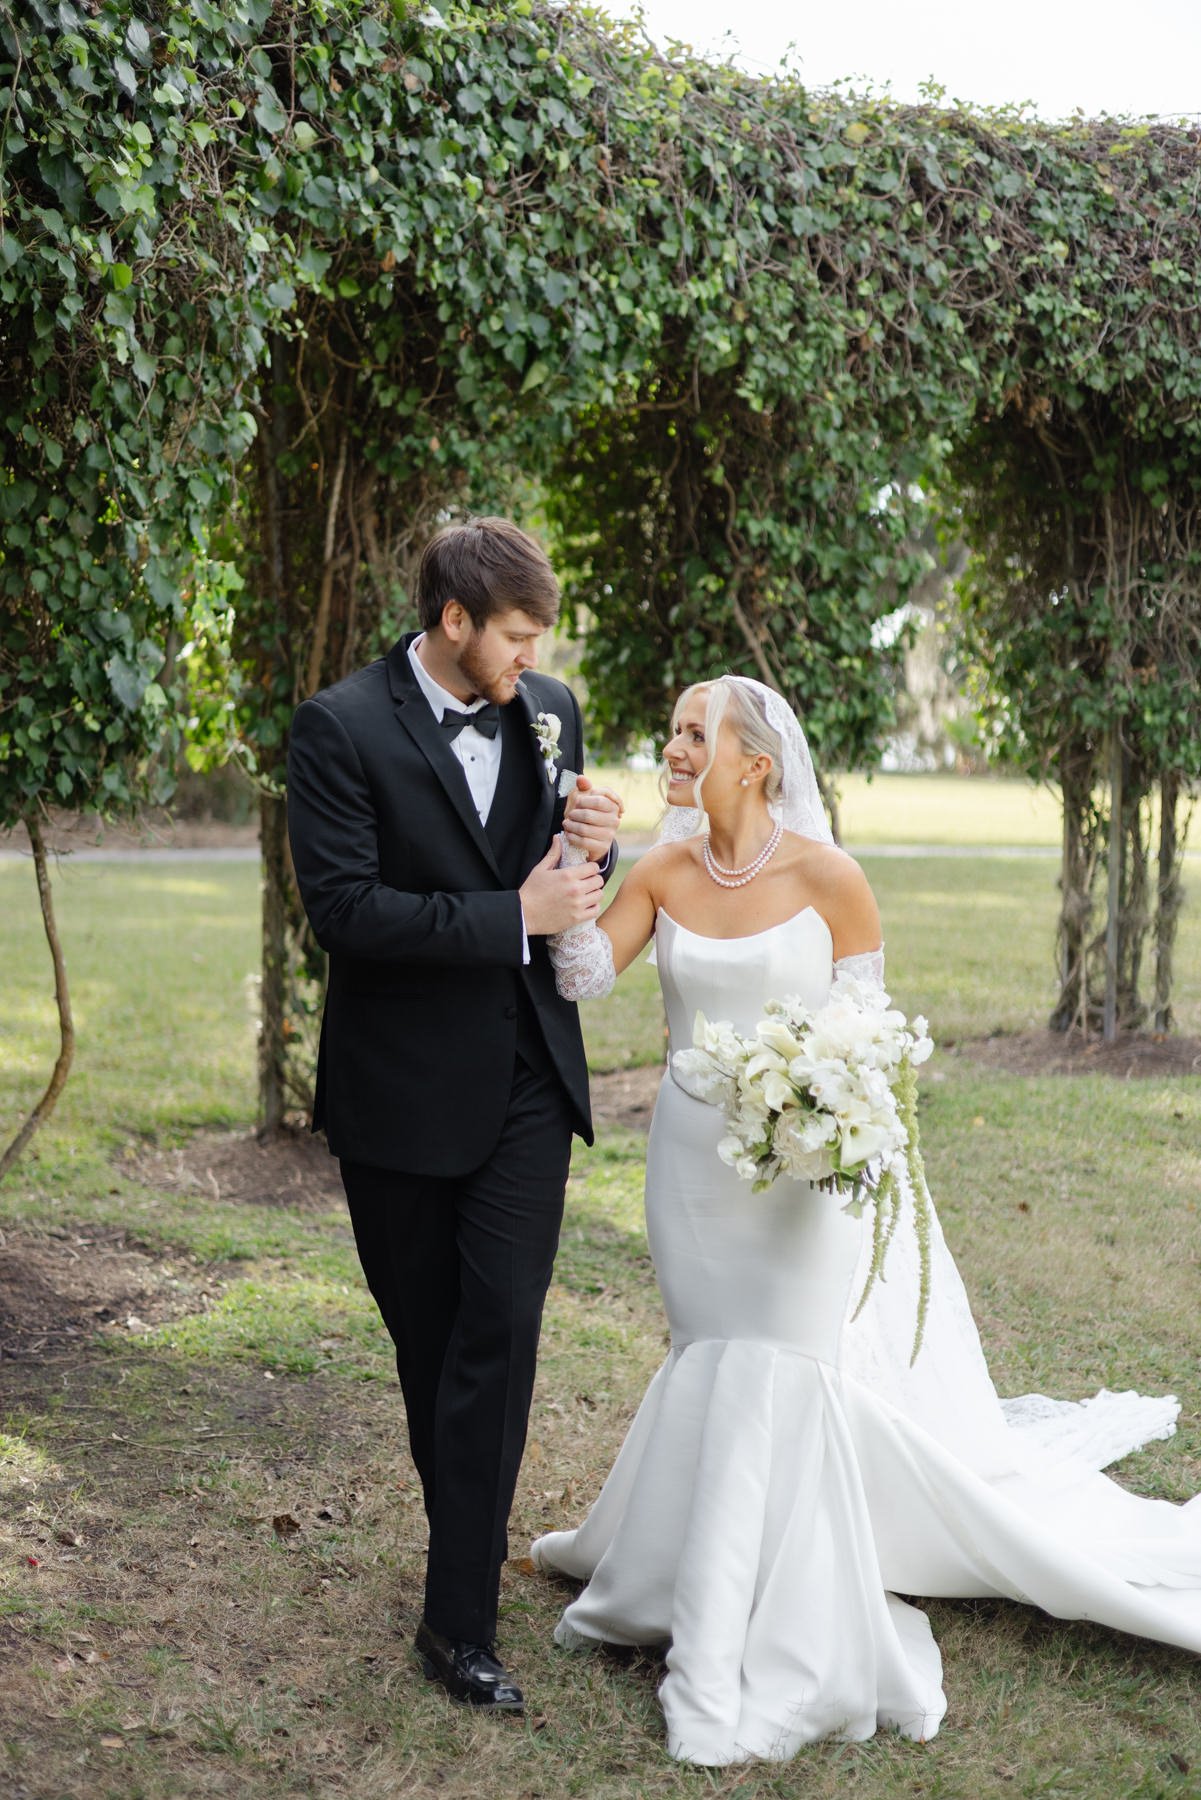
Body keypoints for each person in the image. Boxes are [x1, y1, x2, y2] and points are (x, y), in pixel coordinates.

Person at [531, 673, 1201, 1766]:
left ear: (756, 762)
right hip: (691, 1172)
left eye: (697, 734)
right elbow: (581, 976)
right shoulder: (660, 869)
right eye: (672, 732)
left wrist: (814, 1110)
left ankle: (770, 1620)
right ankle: (677, 1576)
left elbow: (865, 1038)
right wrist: (575, 860)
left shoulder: (831, 878)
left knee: (788, 1367)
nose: (675, 748)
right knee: (709, 1352)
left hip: (801, 1176)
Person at [286, 516, 622, 1714]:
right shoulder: (339, 729)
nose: (535, 657)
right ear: (453, 621)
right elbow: (345, 912)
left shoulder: (550, 709)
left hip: (528, 1073)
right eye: (517, 635)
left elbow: (562, 888)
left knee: (502, 1330)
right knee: (431, 1346)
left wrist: (598, 852)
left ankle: (457, 1624)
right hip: (400, 1092)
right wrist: (509, 917)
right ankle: (464, 1542)